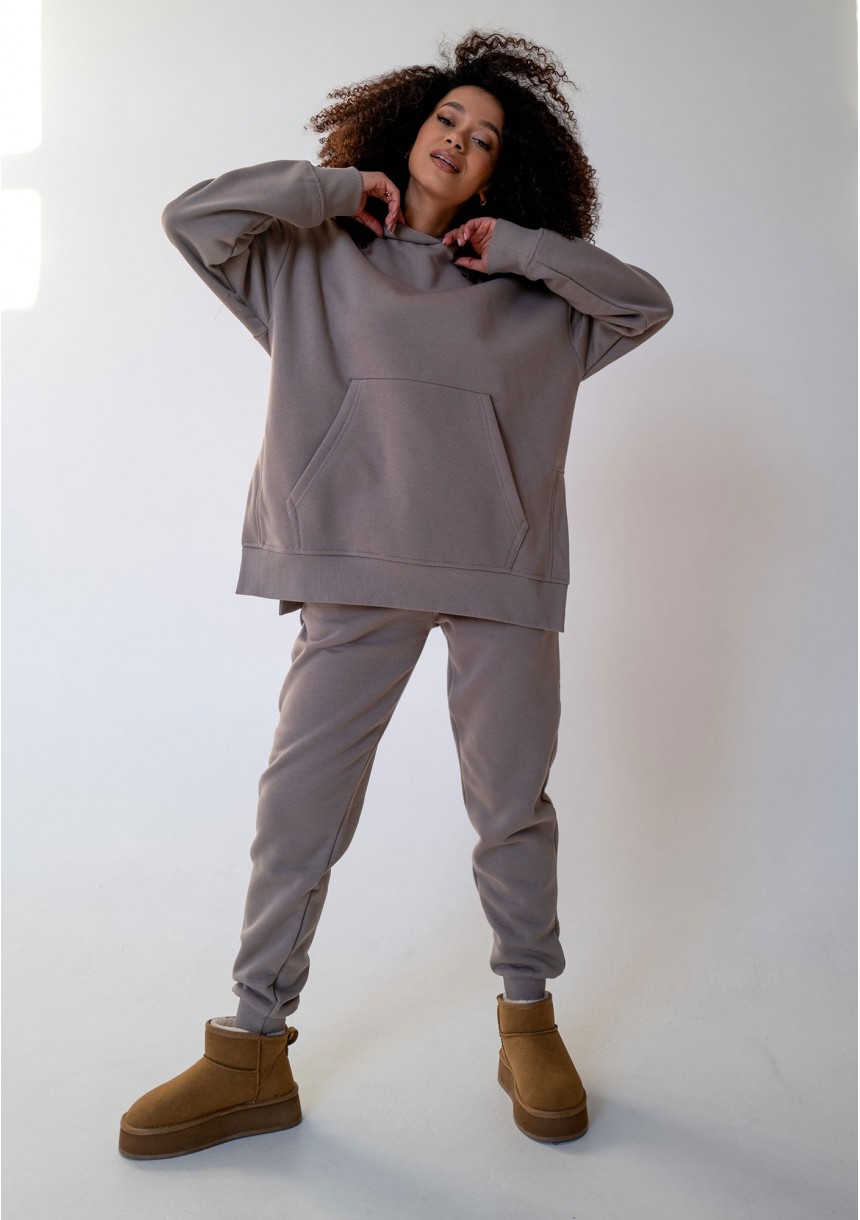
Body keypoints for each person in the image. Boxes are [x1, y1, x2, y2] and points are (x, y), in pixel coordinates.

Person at [118, 29, 674, 1159]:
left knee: (509, 805)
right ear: (406, 127)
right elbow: (193, 218)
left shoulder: (538, 294)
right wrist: (336, 189)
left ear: (504, 171)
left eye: (486, 140)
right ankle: (251, 1047)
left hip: (498, 571)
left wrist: (522, 249)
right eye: (445, 121)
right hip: (354, 562)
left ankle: (527, 1019)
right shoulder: (308, 257)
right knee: (299, 806)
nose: (458, 143)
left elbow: (644, 304)